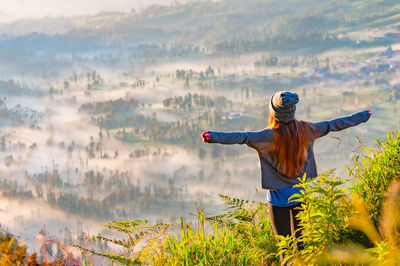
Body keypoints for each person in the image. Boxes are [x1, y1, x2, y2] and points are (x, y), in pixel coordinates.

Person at [201, 91, 371, 248]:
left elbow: (242, 137)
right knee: (302, 245)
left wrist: (213, 137)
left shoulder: (267, 136)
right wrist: (363, 116)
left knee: (285, 248)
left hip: (277, 201)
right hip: (300, 196)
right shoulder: (308, 130)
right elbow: (333, 125)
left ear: (273, 112)